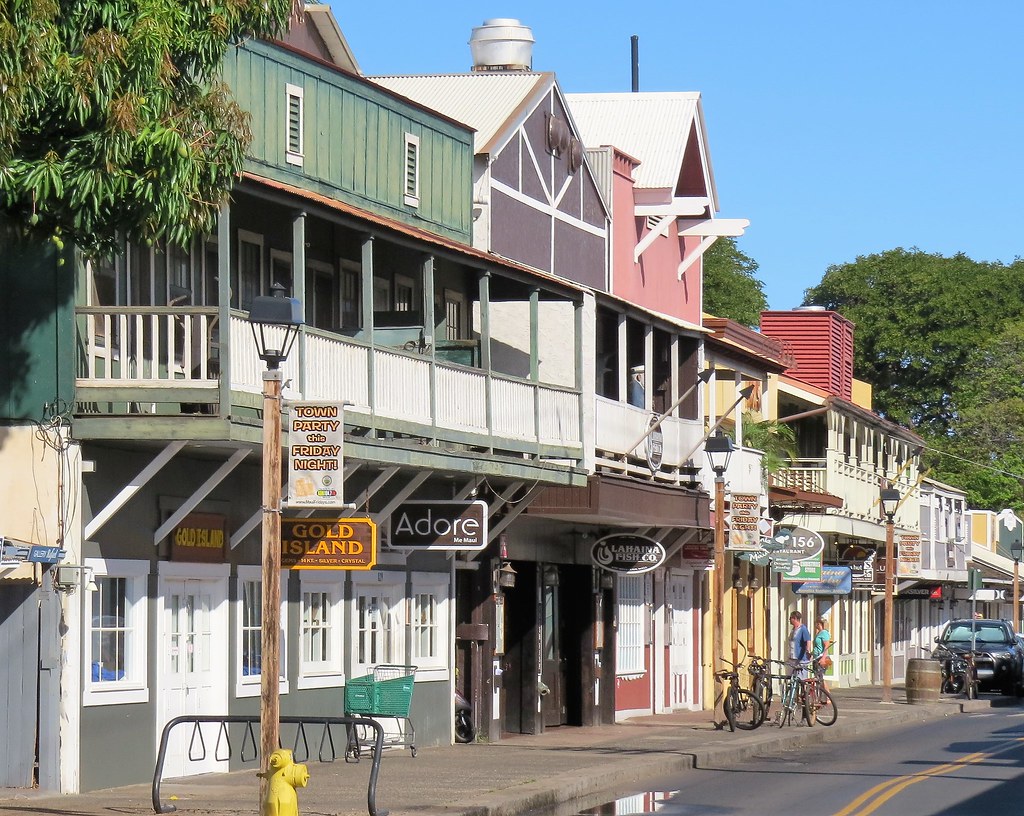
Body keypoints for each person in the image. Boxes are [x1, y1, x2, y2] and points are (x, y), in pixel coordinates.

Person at [789, 610, 811, 677]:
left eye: (790, 618)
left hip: (800, 659)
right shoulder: (793, 629)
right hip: (792, 658)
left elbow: (808, 641)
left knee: (801, 679)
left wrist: (807, 651)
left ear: (795, 618)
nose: (789, 620)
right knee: (793, 679)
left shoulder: (803, 629)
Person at [812, 616, 832, 690]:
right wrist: (811, 653)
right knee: (818, 678)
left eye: (816, 623)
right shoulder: (819, 633)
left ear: (819, 624)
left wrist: (823, 658)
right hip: (816, 657)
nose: (815, 625)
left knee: (820, 678)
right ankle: (821, 698)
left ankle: (828, 697)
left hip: (821, 658)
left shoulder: (824, 633)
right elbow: (817, 646)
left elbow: (826, 646)